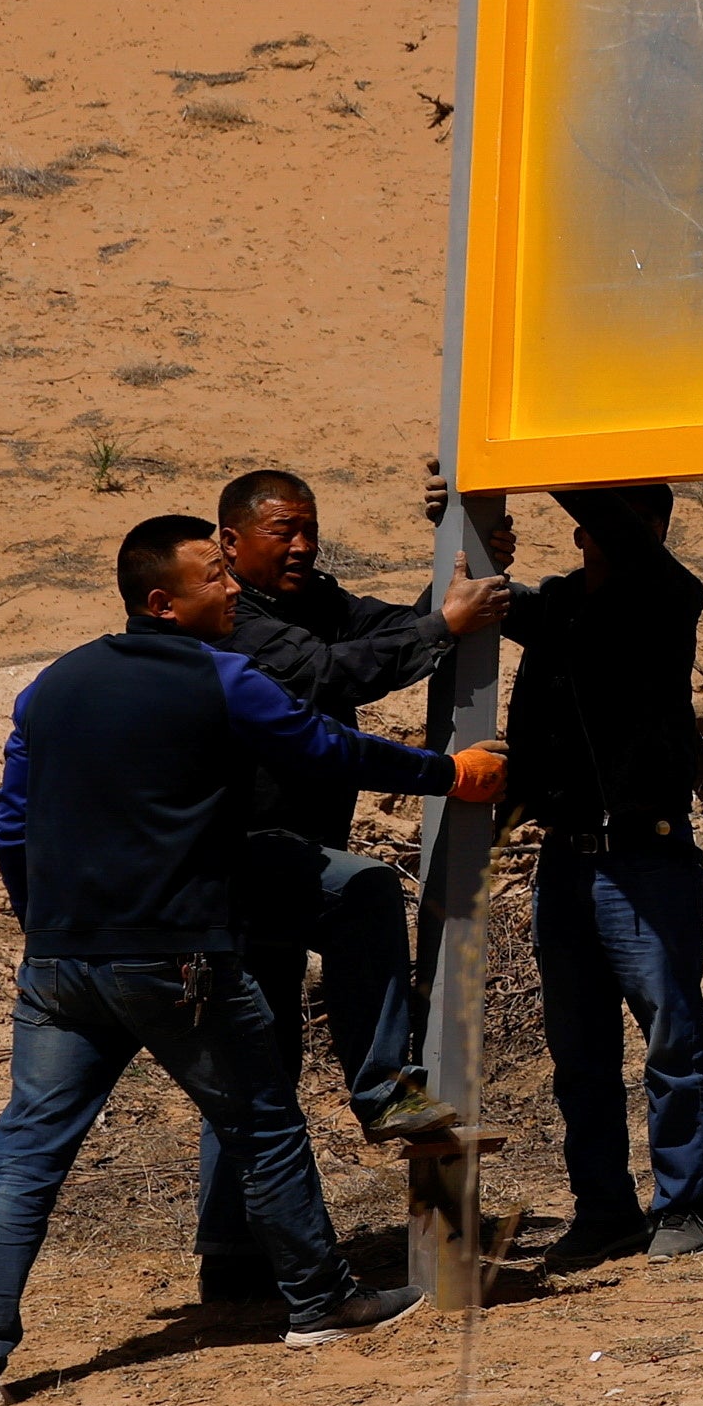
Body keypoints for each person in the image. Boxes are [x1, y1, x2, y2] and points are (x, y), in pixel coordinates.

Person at [0, 513, 498, 1406]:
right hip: (176, 959)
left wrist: (50, 922)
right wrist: (448, 773)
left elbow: (10, 822)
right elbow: (329, 747)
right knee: (265, 1125)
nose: (233, 588)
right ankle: (321, 1301)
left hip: (62, 964)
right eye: (213, 579)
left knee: (26, 1154)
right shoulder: (220, 678)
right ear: (162, 601)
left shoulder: (53, 685)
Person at [198, 466, 508, 1309]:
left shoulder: (312, 602)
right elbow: (333, 674)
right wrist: (445, 622)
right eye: (282, 532)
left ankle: (230, 1252)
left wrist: (455, 562)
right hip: (247, 858)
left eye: (310, 530)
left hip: (288, 858)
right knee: (367, 892)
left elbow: (390, 633)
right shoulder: (231, 622)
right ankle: (384, 1092)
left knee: (258, 1066)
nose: (302, 546)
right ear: (231, 542)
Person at [508, 483, 703, 1266]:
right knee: (580, 1055)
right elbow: (459, 606)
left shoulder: (669, 596)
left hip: (646, 859)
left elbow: (621, 537)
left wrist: (550, 457)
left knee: (671, 1041)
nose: (622, 532)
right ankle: (603, 1208)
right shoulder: (558, 606)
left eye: (639, 520)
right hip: (566, 861)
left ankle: (686, 1204)